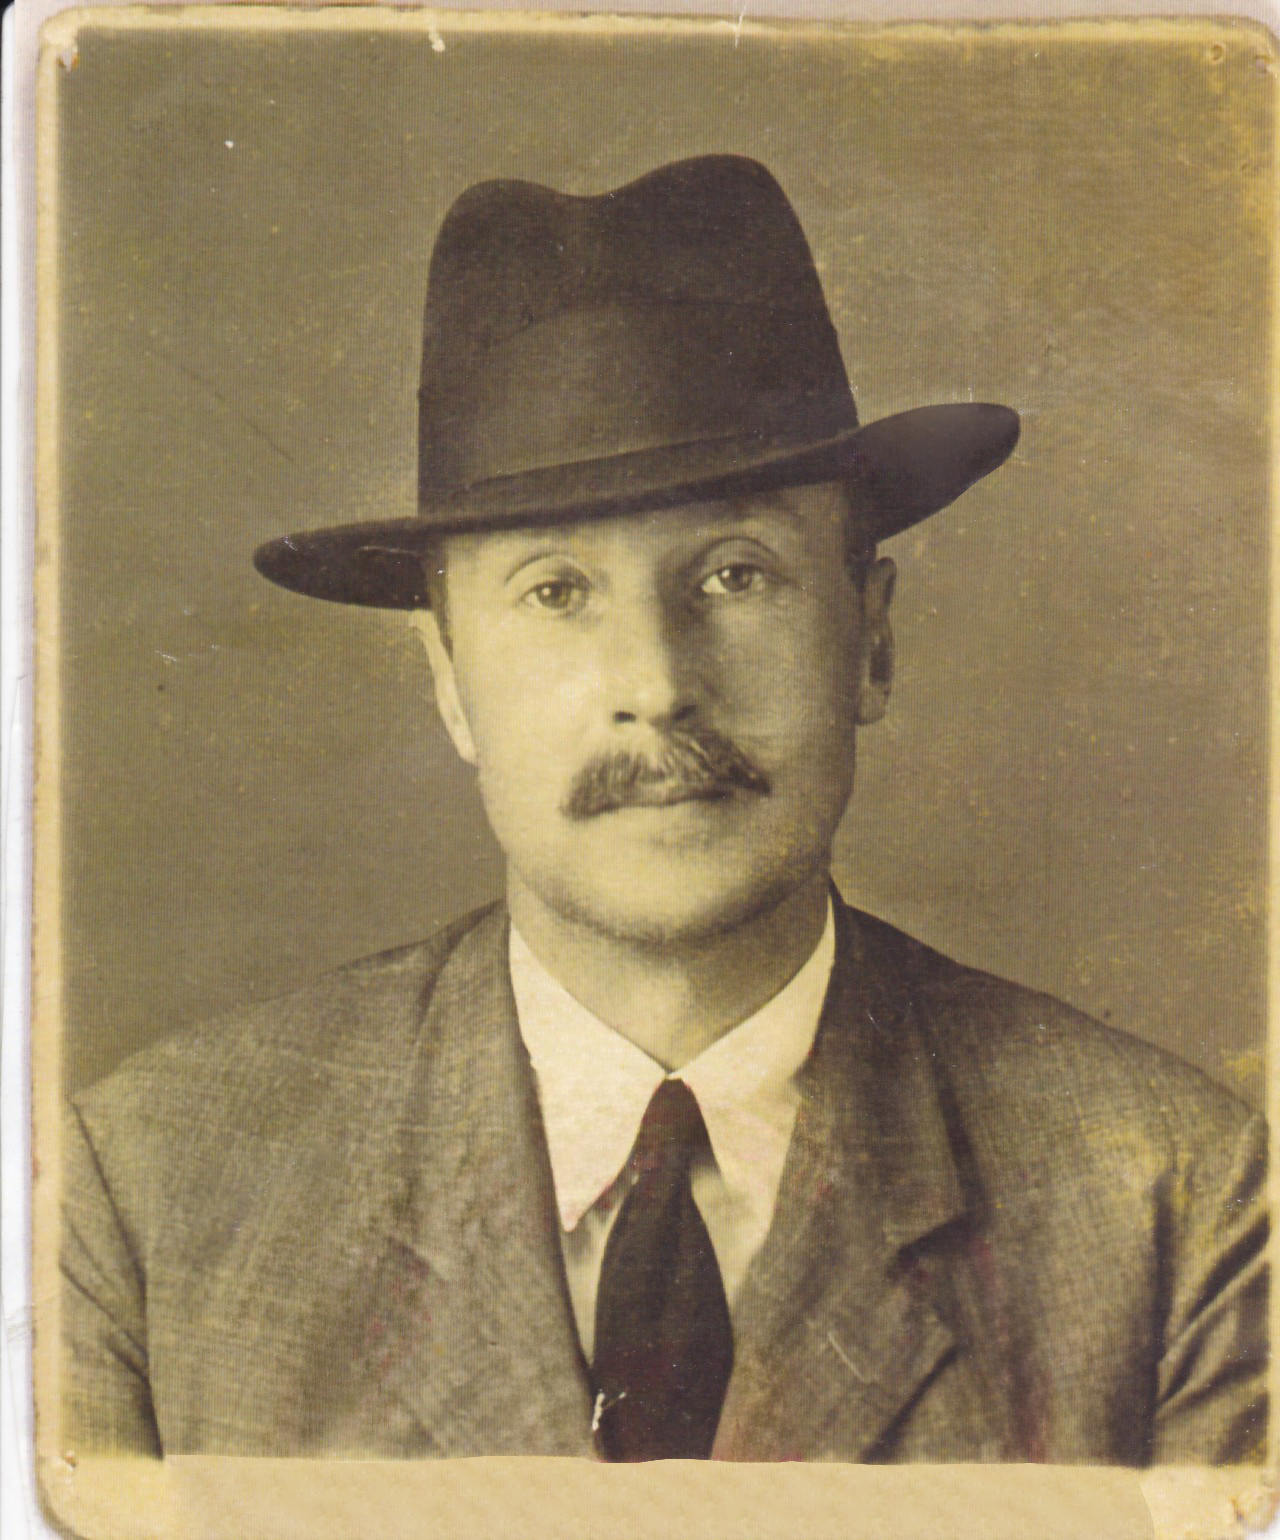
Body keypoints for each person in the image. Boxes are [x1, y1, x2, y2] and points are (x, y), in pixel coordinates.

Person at [62, 155, 1266, 1464]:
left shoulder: (1174, 1205)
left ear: (869, 640)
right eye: (556, 592)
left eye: (735, 575)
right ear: (450, 682)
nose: (655, 684)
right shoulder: (146, 1197)